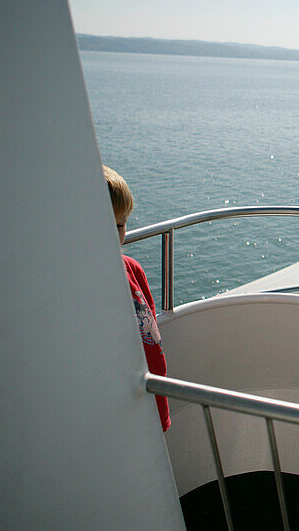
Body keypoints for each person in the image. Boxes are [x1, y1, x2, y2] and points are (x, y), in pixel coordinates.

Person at [103, 165, 170, 432]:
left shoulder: (132, 269)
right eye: (104, 224)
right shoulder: (84, 286)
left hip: (150, 393)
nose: (113, 234)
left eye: (120, 225)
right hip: (117, 409)